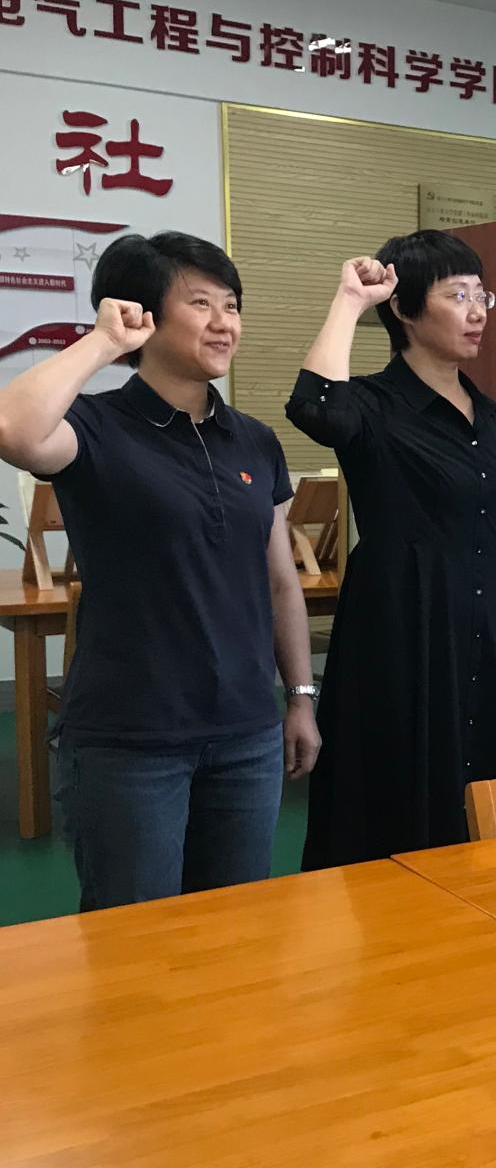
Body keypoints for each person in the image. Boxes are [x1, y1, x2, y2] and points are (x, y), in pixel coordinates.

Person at [0, 232, 318, 910]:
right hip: (131, 741)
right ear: (143, 314)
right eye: (200, 303)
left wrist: (299, 696)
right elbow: (12, 428)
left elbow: (280, 582)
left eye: (231, 305)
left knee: (234, 932)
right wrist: (102, 342)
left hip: (246, 735)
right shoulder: (95, 426)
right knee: (133, 943)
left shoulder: (255, 441)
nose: (224, 322)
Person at [287, 230, 496, 866]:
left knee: (495, 813)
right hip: (403, 631)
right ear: (405, 309)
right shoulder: (372, 405)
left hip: (489, 633)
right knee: (399, 807)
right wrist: (351, 300)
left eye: (481, 295)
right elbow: (313, 407)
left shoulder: (491, 414)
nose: (477, 310)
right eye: (457, 295)